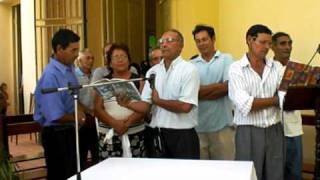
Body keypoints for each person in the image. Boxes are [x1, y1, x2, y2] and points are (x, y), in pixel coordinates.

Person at [116, 29, 200, 159]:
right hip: (158, 133)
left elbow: (185, 107)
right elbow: (145, 106)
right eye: (162, 41)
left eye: (169, 41)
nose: (164, 44)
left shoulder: (189, 70)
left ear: (181, 46)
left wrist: (159, 101)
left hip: (182, 135)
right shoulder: (153, 72)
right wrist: (127, 103)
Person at [228, 24, 284, 180]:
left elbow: (286, 97)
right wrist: (275, 99)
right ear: (249, 40)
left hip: (274, 129)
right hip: (248, 130)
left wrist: (275, 99)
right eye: (262, 42)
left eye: (269, 43)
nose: (267, 47)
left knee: (275, 175)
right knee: (248, 175)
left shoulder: (277, 67)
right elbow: (246, 105)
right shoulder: (236, 69)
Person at [33, 29, 85, 180]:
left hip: (70, 131)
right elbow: (55, 115)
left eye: (77, 49)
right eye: (73, 50)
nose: (76, 54)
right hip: (57, 135)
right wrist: (78, 117)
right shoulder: (51, 75)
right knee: (60, 175)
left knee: (74, 174)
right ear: (59, 49)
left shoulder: (69, 69)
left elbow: (73, 96)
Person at [191, 24, 234, 160]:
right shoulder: (191, 64)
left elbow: (228, 87)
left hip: (223, 127)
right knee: (202, 173)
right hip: (198, 128)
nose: (201, 44)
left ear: (213, 39)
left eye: (204, 39)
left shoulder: (226, 59)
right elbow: (190, 93)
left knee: (225, 172)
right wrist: (218, 87)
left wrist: (199, 91)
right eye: (198, 41)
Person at [94, 43, 145, 158]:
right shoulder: (104, 82)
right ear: (110, 62)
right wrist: (114, 123)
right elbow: (97, 108)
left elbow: (145, 107)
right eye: (116, 57)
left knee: (135, 171)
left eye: (123, 56)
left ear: (129, 60)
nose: (120, 60)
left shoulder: (139, 80)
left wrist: (127, 123)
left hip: (135, 132)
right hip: (109, 133)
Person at [271, 32, 303, 180]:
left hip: (295, 129)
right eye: (283, 43)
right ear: (272, 46)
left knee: (295, 173)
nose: (288, 47)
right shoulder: (267, 69)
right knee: (276, 173)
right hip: (275, 130)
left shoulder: (299, 69)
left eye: (290, 43)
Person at [75, 48, 99, 169]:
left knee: (97, 154)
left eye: (92, 58)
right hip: (82, 119)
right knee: (81, 155)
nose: (91, 61)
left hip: (97, 118)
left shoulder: (97, 74)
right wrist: (88, 111)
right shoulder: (74, 76)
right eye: (87, 58)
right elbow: (74, 99)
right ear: (79, 61)